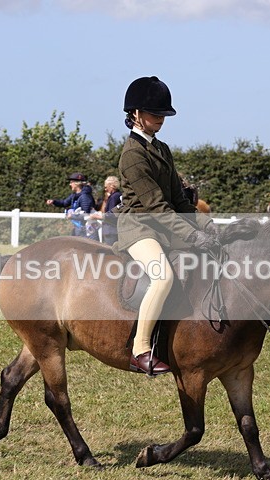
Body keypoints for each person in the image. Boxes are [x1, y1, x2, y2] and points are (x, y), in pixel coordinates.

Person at [114, 75, 218, 376]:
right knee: (162, 278)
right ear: (135, 114)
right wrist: (193, 236)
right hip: (139, 228)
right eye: (154, 114)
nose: (160, 119)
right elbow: (158, 207)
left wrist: (208, 225)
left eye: (163, 115)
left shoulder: (162, 149)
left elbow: (179, 201)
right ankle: (140, 349)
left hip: (165, 225)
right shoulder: (133, 154)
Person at [46, 172, 98, 239]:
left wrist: (72, 216)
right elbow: (64, 203)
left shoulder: (85, 197)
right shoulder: (74, 195)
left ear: (77, 184)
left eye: (71, 182)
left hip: (87, 230)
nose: (70, 184)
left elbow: (87, 215)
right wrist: (54, 201)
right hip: (79, 229)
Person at [89, 175, 122, 246]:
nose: (105, 190)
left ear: (112, 186)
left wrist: (97, 216)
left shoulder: (114, 197)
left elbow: (111, 215)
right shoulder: (118, 195)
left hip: (111, 230)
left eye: (106, 187)